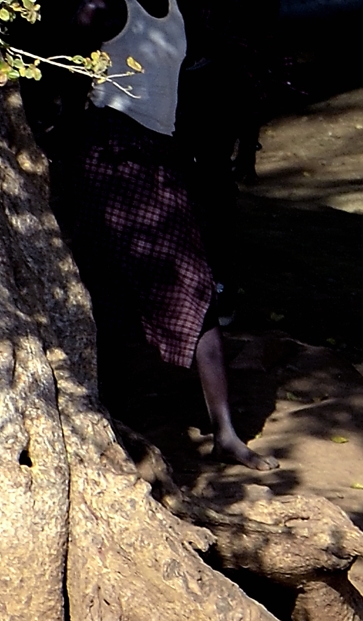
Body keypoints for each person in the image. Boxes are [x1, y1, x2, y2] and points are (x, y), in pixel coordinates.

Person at [66, 0, 261, 464]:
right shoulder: (109, 9)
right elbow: (59, 65)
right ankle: (105, 425)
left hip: (159, 155)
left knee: (196, 287)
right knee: (105, 291)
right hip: (110, 152)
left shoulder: (176, 11)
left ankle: (225, 434)